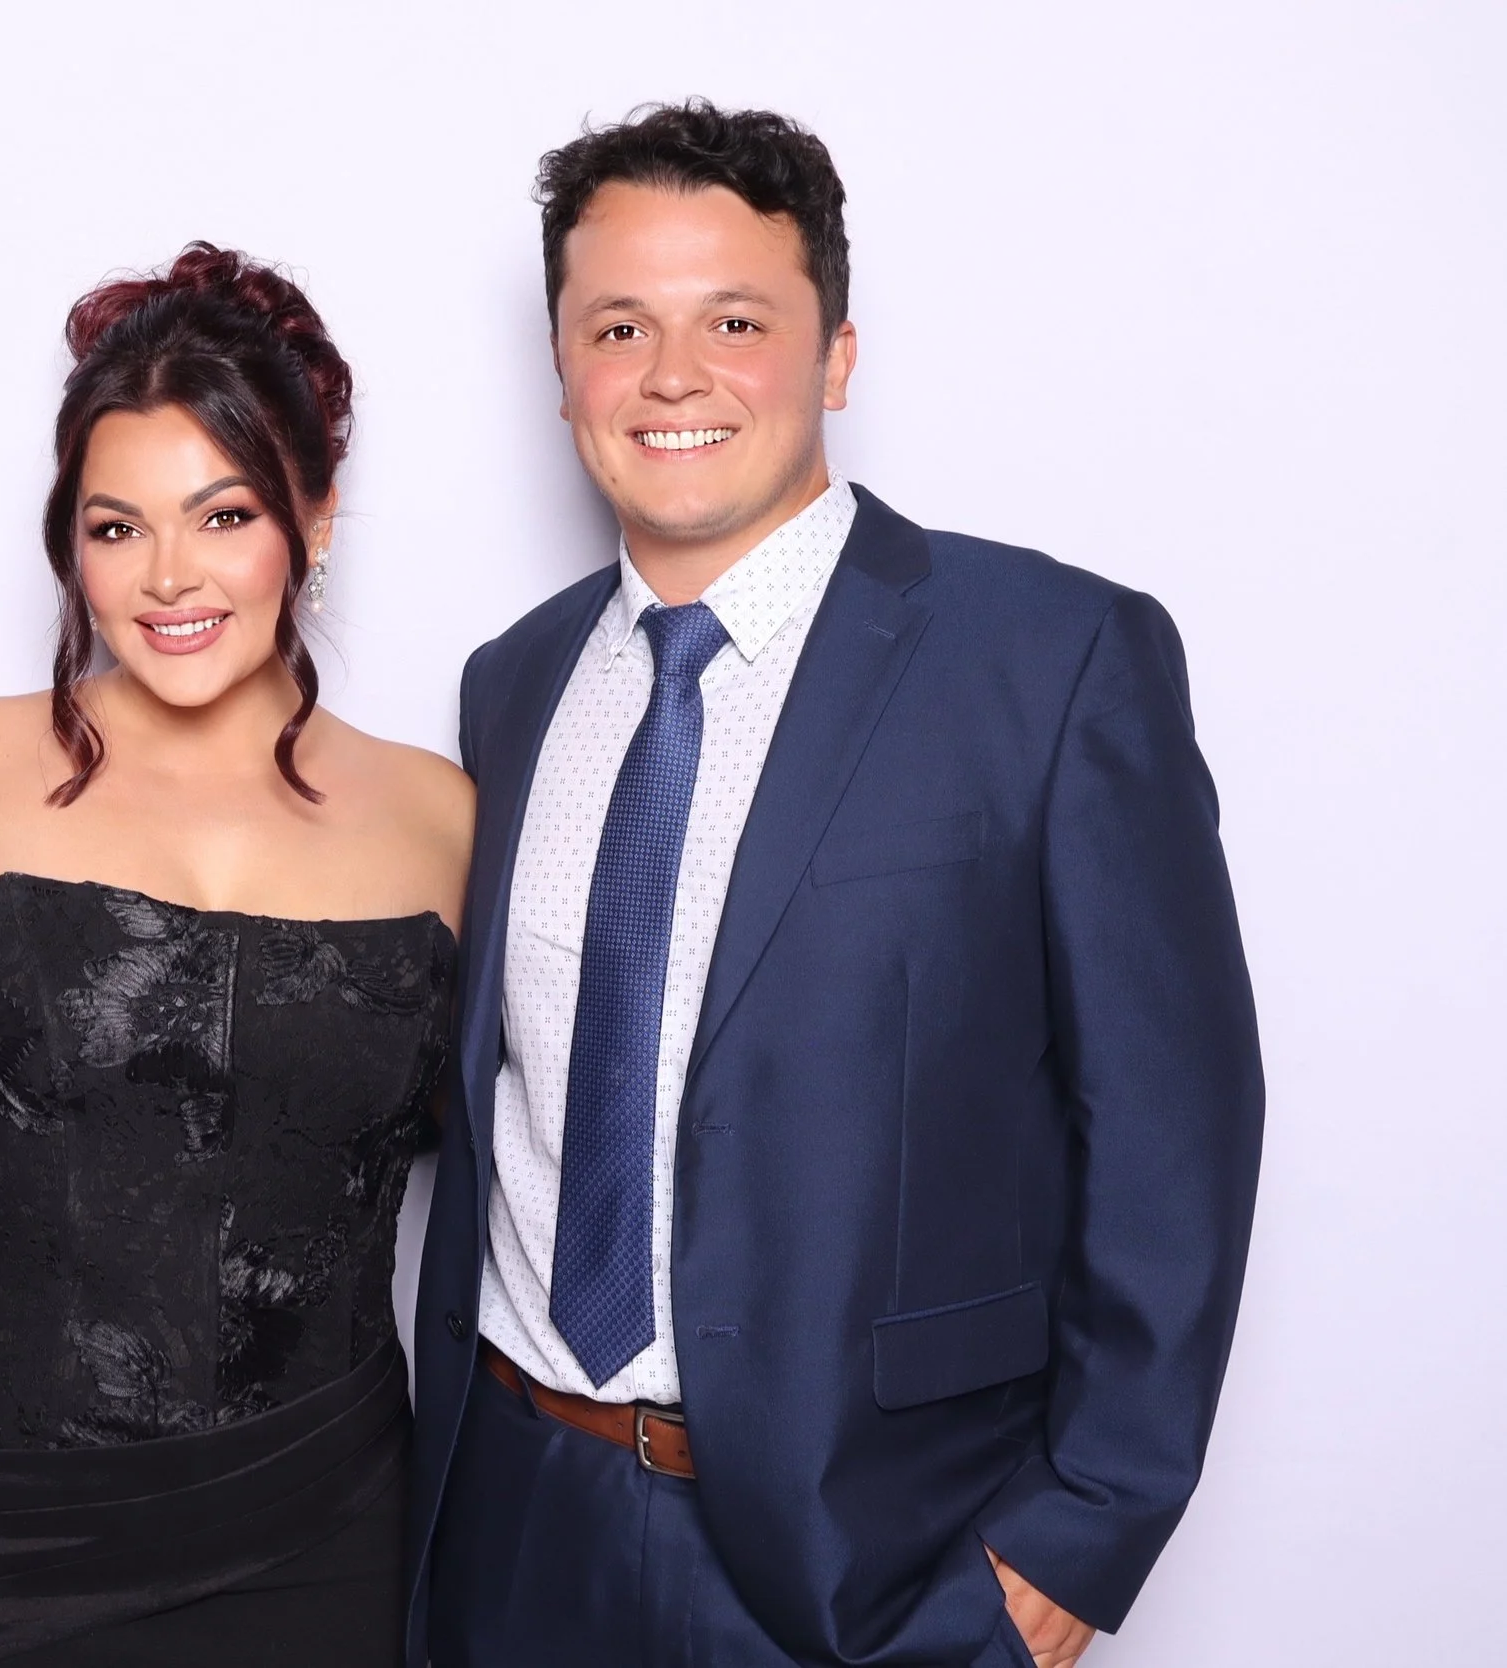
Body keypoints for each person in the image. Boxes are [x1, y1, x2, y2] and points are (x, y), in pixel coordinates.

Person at [407, 103, 1267, 1667]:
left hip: (870, 1555)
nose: (674, 375)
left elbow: (1171, 1132)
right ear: (561, 372)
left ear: (838, 356)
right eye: (620, 327)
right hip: (510, 1516)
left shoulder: (1052, 660)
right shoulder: (511, 686)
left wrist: (1076, 1539)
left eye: (736, 320)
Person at [0, 242, 471, 1667]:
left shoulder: (444, 815)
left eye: (225, 513)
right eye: (117, 526)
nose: (169, 576)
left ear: (314, 516)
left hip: (319, 1519)